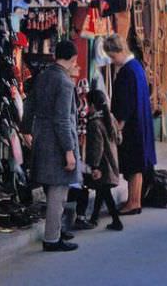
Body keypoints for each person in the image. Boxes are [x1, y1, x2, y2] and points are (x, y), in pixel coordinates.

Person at [22, 40, 82, 252]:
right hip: (57, 142)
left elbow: (29, 104)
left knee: (51, 189)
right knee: (58, 191)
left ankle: (56, 230)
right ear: (73, 59)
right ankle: (52, 238)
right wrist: (69, 150)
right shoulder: (65, 83)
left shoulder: (43, 76)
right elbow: (63, 119)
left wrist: (26, 130)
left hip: (42, 138)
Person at [103, 34, 156, 215]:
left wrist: (119, 125)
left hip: (132, 125)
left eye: (112, 56)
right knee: (137, 165)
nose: (112, 60)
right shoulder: (136, 67)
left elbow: (125, 103)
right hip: (140, 122)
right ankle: (135, 200)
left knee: (133, 165)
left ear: (118, 51)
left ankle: (133, 202)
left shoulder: (127, 71)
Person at [84, 89, 123, 231]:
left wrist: (94, 166)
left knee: (105, 192)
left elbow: (96, 147)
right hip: (111, 162)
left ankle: (116, 221)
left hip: (102, 165)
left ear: (93, 104)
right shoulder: (110, 117)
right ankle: (94, 218)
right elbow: (119, 139)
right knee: (102, 191)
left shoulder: (95, 123)